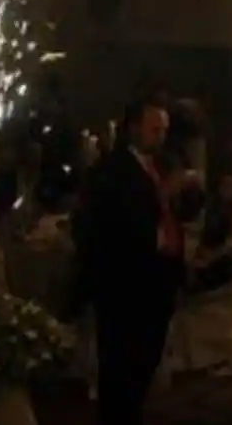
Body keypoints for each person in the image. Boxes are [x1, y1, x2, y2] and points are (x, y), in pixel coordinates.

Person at [87, 98, 183, 425]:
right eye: (154, 129)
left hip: (153, 282)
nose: (161, 136)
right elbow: (107, 226)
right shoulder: (112, 171)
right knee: (121, 370)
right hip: (126, 286)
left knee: (142, 366)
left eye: (164, 130)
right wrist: (156, 237)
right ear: (133, 128)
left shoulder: (153, 167)